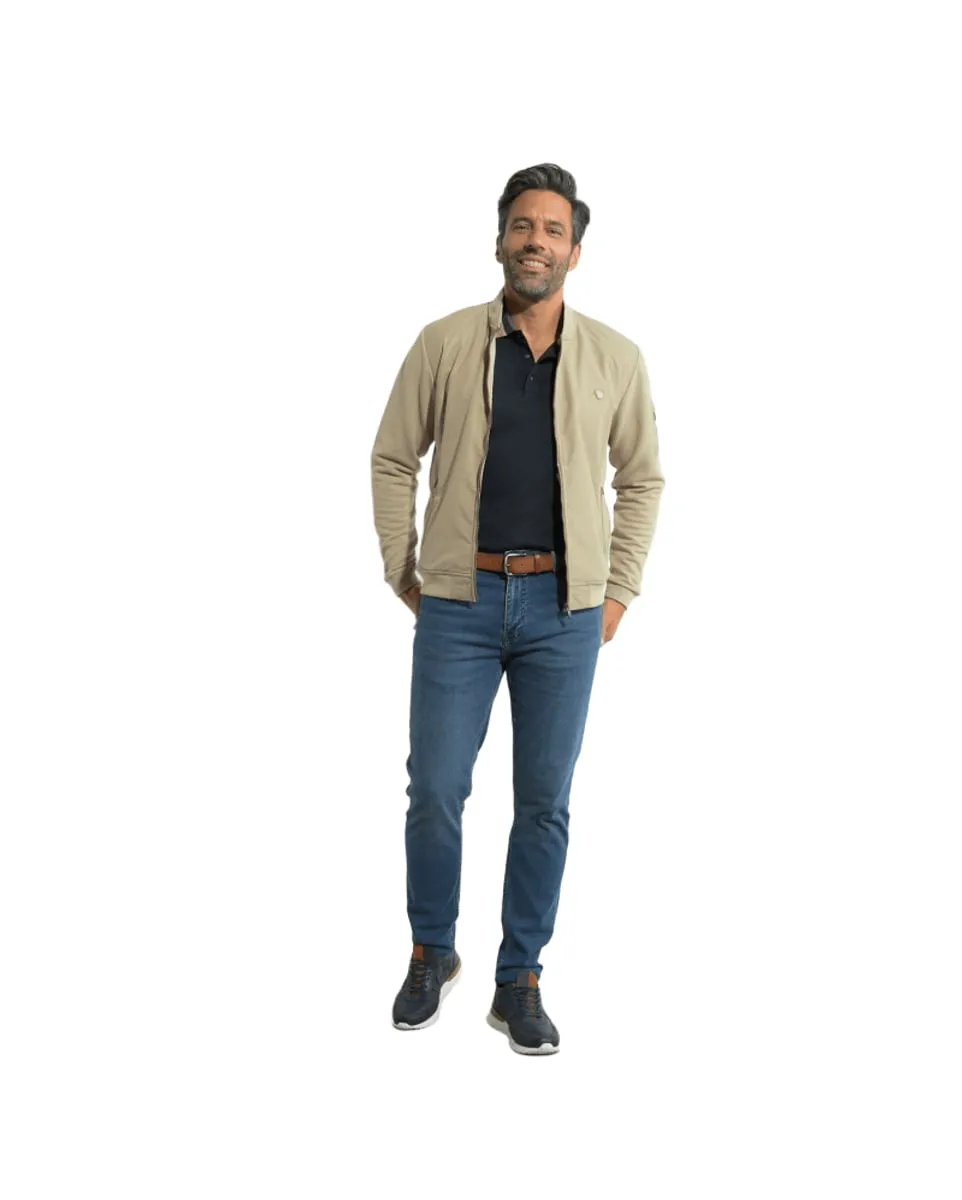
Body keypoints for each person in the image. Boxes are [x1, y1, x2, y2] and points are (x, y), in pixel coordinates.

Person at [370, 163, 665, 1055]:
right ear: (500, 239)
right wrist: (404, 572)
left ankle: (520, 977)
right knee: (436, 789)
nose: (536, 241)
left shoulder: (615, 359)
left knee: (544, 802)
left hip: (563, 611)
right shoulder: (444, 343)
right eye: (522, 226)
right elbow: (393, 458)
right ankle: (432, 950)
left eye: (553, 230)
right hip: (457, 602)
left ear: (576, 251)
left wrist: (616, 593)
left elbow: (642, 478)